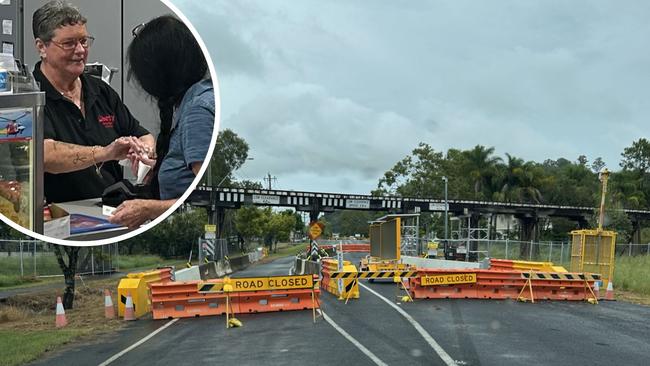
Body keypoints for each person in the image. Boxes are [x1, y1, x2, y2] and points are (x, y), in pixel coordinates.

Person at [32, 1, 155, 203]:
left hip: (111, 209)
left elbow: (143, 134)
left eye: (84, 41)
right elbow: (44, 155)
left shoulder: (100, 90)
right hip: (58, 215)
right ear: (42, 47)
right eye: (69, 43)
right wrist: (105, 153)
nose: (80, 50)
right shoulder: (33, 95)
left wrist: (143, 152)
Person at [109, 15, 215, 228]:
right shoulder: (197, 99)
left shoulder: (197, 112)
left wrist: (148, 208)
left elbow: (205, 198)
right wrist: (162, 168)